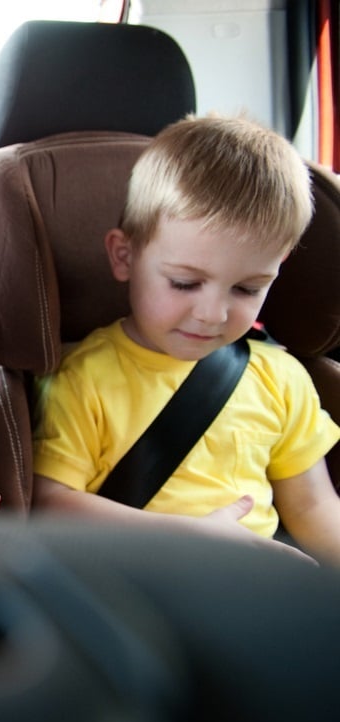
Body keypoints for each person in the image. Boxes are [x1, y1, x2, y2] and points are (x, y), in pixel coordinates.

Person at [31, 114, 340, 565]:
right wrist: (185, 537)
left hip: (255, 593)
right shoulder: (83, 378)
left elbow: (314, 507)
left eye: (247, 289)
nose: (213, 314)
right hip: (139, 591)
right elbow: (50, 504)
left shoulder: (281, 379)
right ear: (125, 256)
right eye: (184, 283)